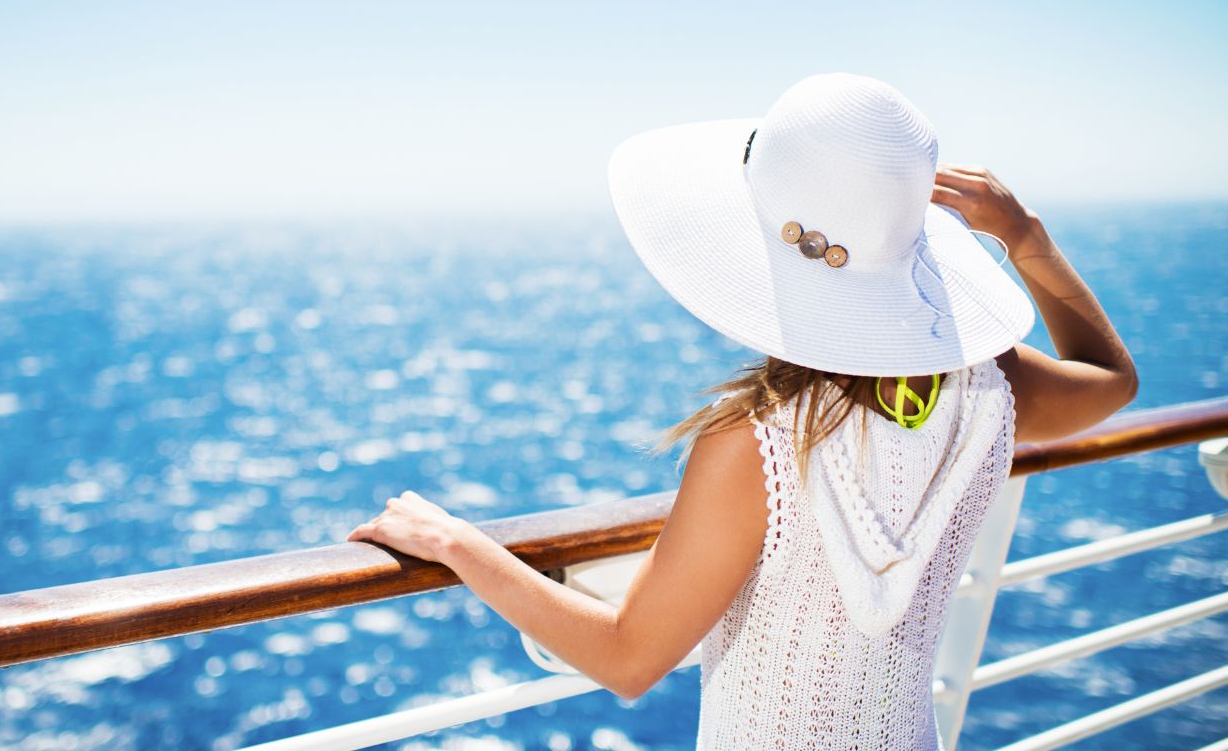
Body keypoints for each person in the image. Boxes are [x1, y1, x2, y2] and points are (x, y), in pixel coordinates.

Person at [345, 73, 1136, 749]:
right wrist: (1026, 238)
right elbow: (1109, 378)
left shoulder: (758, 441)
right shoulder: (990, 389)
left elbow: (630, 658)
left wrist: (459, 544)